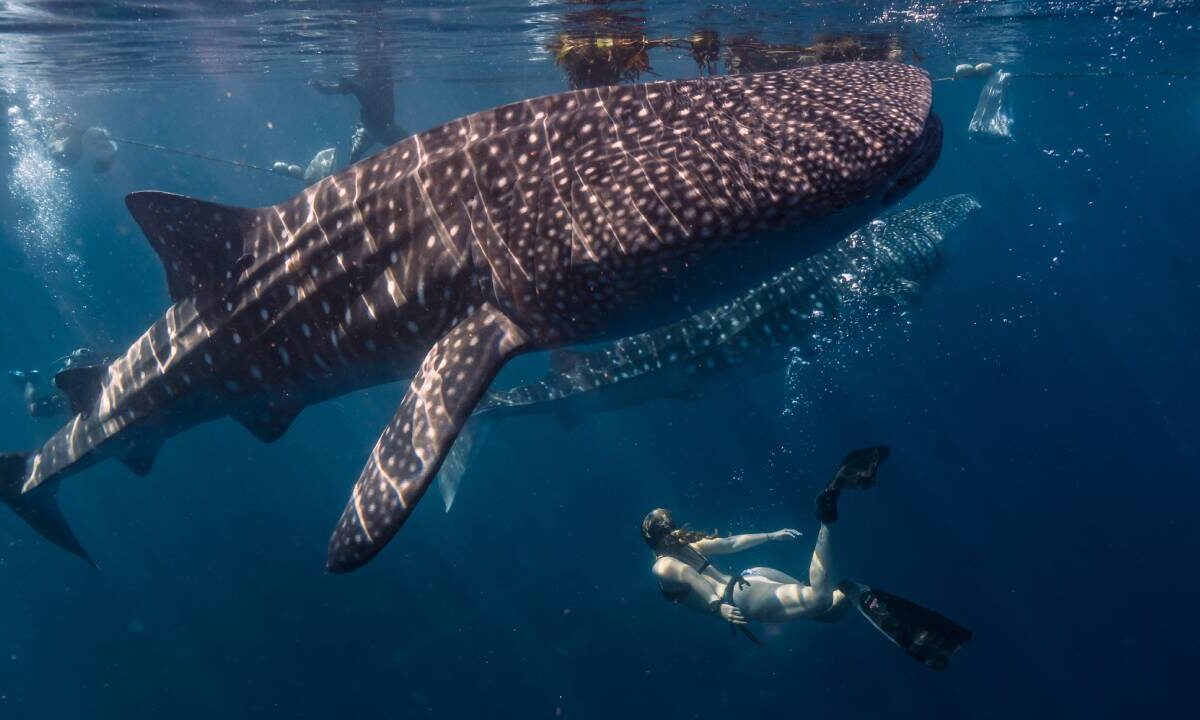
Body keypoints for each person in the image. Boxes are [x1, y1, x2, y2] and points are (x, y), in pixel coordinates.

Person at [645, 447, 972, 670]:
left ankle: (826, 518)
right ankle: (851, 590)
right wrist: (769, 535)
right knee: (829, 609)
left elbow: (692, 581)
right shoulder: (688, 548)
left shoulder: (663, 564)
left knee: (815, 599)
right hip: (753, 576)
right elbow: (730, 544)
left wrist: (719, 607)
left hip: (740, 597)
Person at [309, 20, 408, 163]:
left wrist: (322, 87)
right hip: (380, 128)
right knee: (411, 146)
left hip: (376, 127)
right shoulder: (363, 79)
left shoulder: (373, 76)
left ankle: (357, 144)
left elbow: (333, 89)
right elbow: (333, 89)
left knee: (354, 159)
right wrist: (321, 87)